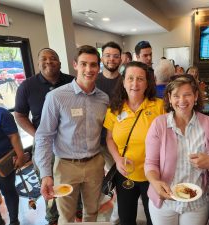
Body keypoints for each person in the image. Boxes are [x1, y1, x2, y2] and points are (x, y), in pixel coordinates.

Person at [34, 45, 109, 224]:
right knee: (66, 217)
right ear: (75, 65)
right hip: (66, 166)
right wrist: (46, 174)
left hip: (94, 165)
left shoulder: (103, 99)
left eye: (93, 65)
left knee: (92, 212)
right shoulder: (57, 97)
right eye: (83, 64)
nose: (88, 70)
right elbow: (44, 136)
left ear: (99, 68)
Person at [145, 75, 209, 225]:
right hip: (165, 201)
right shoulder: (159, 124)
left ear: (196, 96)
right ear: (170, 99)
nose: (182, 100)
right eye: (176, 96)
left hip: (197, 203)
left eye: (187, 95)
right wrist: (155, 181)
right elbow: (150, 163)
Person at [14, 48, 74, 225]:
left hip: (69, 144)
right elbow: (20, 115)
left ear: (60, 62)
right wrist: (38, 135)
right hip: (44, 145)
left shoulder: (72, 82)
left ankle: (76, 208)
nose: (49, 62)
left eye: (53, 58)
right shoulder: (27, 86)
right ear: (38, 63)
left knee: (70, 179)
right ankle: (53, 217)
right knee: (47, 182)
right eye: (44, 59)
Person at [104, 61, 164, 225]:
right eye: (130, 78)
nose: (135, 83)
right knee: (126, 219)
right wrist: (117, 159)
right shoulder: (114, 109)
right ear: (123, 82)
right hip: (125, 175)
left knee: (153, 219)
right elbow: (109, 138)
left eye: (140, 79)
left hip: (153, 175)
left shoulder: (160, 107)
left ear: (147, 83)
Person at [95, 41, 123, 225]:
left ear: (120, 59)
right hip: (93, 141)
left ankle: (117, 213)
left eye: (115, 56)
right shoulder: (93, 79)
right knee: (94, 183)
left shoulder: (126, 80)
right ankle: (92, 214)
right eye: (108, 55)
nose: (111, 59)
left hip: (116, 141)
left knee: (118, 179)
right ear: (102, 57)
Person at [0, 105, 25, 225]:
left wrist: (20, 156)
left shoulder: (1, 114)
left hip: (2, 163)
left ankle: (14, 221)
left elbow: (14, 136)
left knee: (8, 192)